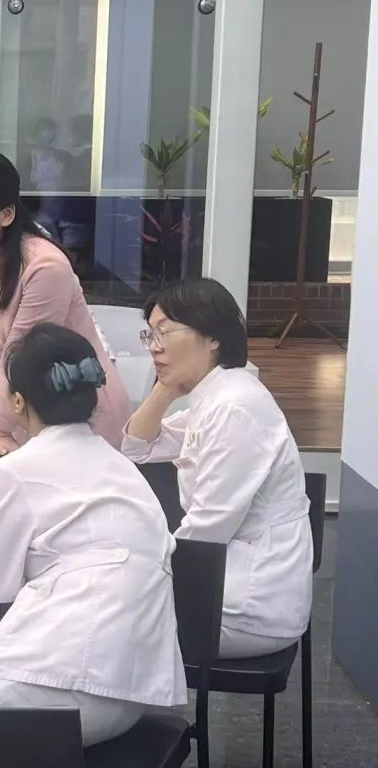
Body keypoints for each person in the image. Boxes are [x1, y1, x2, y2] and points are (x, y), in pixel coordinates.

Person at [0, 324, 186, 768]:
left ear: (18, 402)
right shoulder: (122, 468)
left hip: (59, 683)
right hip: (130, 689)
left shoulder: (17, 470)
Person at [122, 278, 313, 658]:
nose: (154, 346)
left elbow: (207, 530)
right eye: (150, 335)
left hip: (247, 608)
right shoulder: (215, 397)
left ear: (213, 338)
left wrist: (138, 574)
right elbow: (137, 447)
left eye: (165, 332)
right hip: (227, 583)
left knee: (98, 622)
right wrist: (165, 387)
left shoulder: (233, 407)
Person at [0, 149, 130, 456]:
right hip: (27, 411)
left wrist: (2, 428)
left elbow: (23, 351)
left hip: (80, 415)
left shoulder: (45, 267)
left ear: (6, 214)